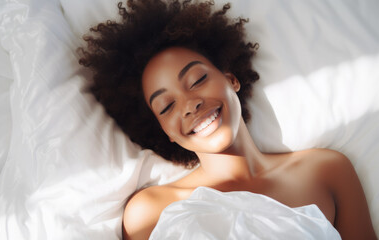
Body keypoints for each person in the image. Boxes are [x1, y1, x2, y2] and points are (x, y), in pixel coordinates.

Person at [79, 0, 377, 239]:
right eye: (167, 106)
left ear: (231, 79)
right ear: (165, 132)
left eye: (197, 80)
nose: (189, 104)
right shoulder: (150, 210)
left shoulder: (326, 170)